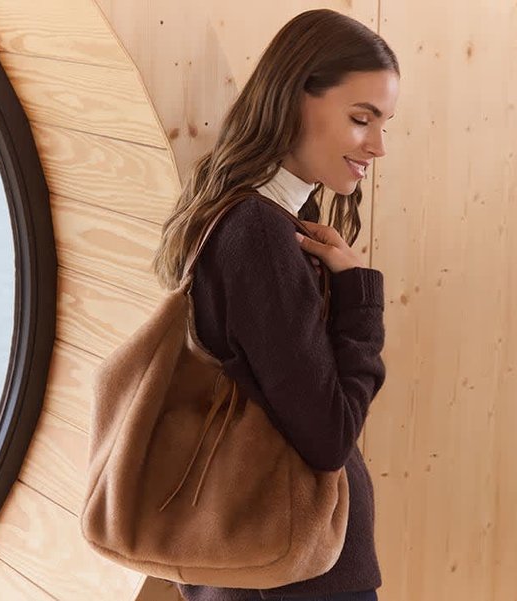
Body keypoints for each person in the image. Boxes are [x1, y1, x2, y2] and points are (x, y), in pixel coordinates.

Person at [149, 8, 399, 601]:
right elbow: (329, 437)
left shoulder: (252, 218)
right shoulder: (260, 233)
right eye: (361, 119)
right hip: (294, 576)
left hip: (263, 566)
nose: (378, 146)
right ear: (295, 100)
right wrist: (359, 299)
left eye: (384, 123)